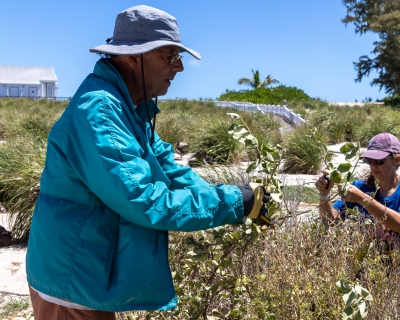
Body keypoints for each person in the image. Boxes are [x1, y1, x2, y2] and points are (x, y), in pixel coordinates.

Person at [25, 5, 268, 319]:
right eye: (169, 56)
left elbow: (170, 169)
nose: (178, 67)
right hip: (72, 282)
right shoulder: (101, 111)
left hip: (85, 272)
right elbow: (143, 200)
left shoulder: (129, 107)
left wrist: (243, 200)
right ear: (132, 57)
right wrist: (236, 202)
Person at [315, 132, 400, 253]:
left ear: (396, 160)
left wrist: (362, 198)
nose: (373, 165)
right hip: (369, 268)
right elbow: (331, 220)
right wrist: (324, 195)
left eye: (379, 161)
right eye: (369, 160)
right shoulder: (360, 187)